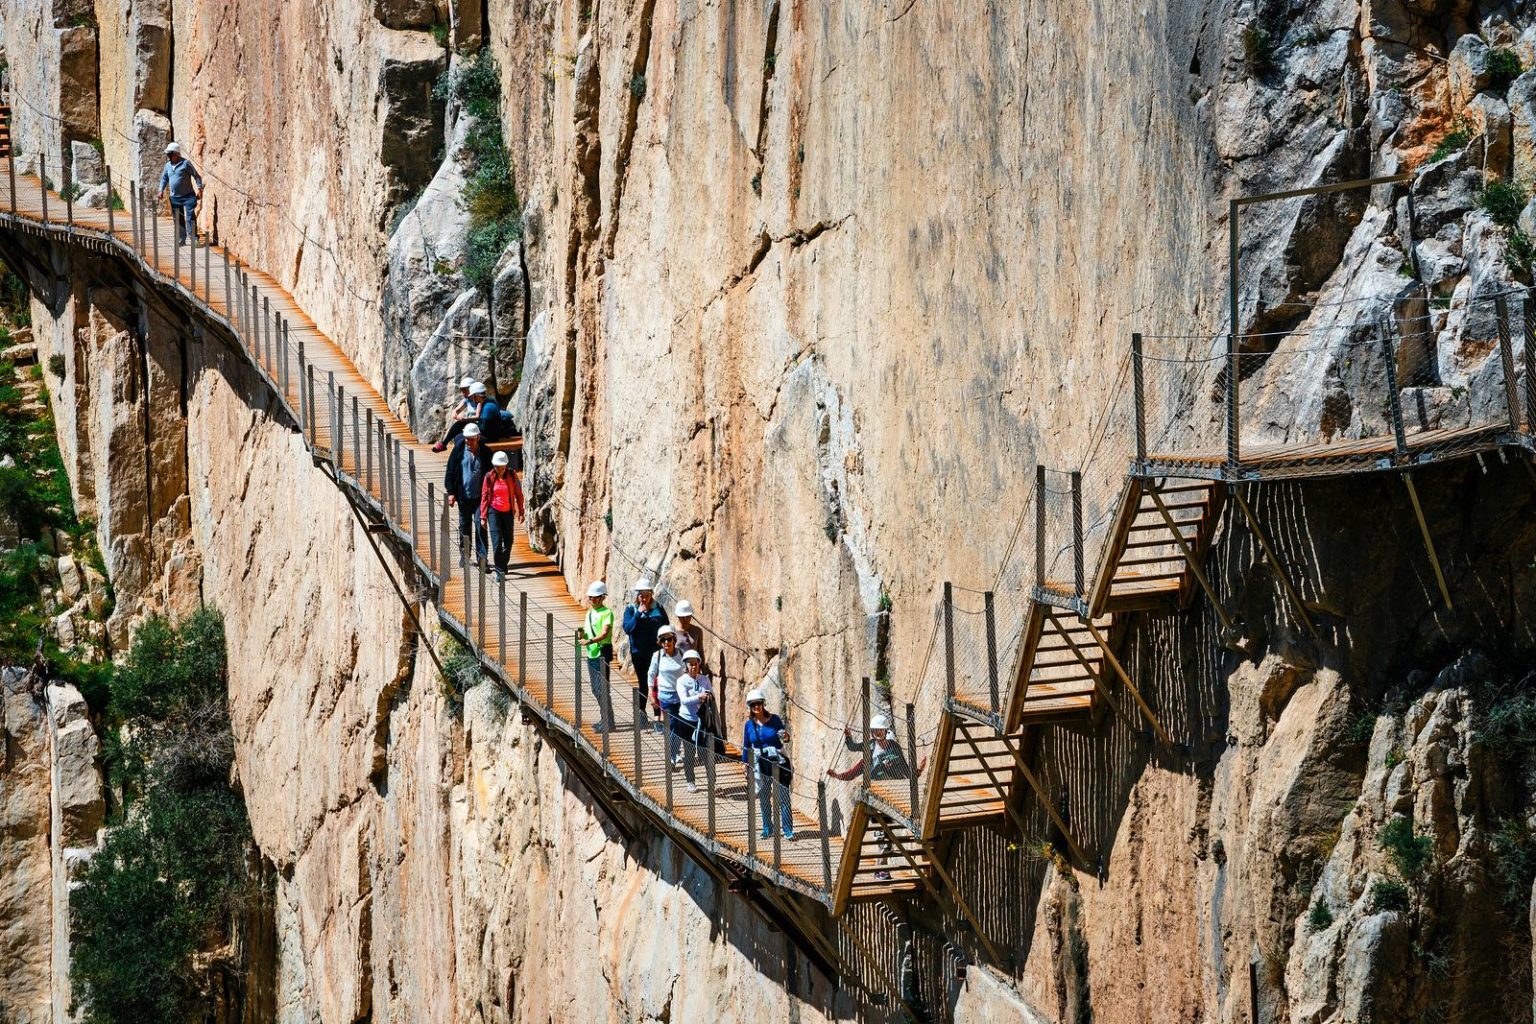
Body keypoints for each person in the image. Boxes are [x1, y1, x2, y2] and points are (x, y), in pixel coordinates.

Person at [741, 688, 794, 840]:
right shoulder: (749, 725)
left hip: (778, 761)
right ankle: (767, 828)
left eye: (758, 703)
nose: (756, 707)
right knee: (764, 797)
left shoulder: (775, 720)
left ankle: (788, 829)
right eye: (753, 705)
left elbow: (785, 738)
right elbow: (746, 745)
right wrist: (745, 763)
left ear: (763, 704)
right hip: (760, 764)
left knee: (783, 796)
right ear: (750, 707)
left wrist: (785, 735)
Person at [444, 422, 489, 571]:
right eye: (466, 439)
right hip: (463, 496)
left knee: (480, 525)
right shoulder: (458, 451)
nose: (468, 442)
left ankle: (482, 560)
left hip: (480, 498)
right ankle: (465, 556)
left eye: (471, 439)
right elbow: (450, 472)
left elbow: (493, 476)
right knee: (464, 527)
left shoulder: (486, 453)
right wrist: (451, 493)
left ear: (477, 437)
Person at [478, 450, 525, 580]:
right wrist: (483, 516)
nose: (500, 469)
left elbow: (519, 495)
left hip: (508, 512)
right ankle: (499, 571)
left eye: (502, 466)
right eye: (498, 467)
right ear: (494, 466)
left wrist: (521, 511)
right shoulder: (489, 477)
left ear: (506, 465)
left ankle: (503, 564)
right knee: (497, 542)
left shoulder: (512, 475)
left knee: (509, 541)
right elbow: (484, 497)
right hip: (494, 512)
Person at [827, 714, 910, 782]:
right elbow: (853, 747)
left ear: (886, 731)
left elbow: (904, 767)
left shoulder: (894, 747)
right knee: (864, 762)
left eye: (880, 730)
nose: (877, 733)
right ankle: (839, 776)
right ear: (872, 731)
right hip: (876, 783)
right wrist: (848, 736)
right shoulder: (870, 745)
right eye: (875, 730)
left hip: (893, 781)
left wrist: (917, 772)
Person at [622, 578, 669, 695]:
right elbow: (628, 628)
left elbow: (666, 627)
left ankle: (657, 713)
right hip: (639, 653)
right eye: (641, 596)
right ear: (637, 596)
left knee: (656, 682)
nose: (644, 599)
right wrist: (638, 614)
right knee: (643, 683)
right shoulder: (631, 609)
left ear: (651, 595)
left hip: (656, 652)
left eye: (647, 596)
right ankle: (641, 712)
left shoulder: (658, 608)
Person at [647, 627, 687, 764]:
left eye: (669, 639)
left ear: (674, 640)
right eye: (663, 640)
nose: (666, 642)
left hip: (681, 695)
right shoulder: (657, 655)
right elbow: (651, 674)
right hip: (666, 696)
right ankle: (671, 754)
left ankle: (674, 752)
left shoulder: (682, 654)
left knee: (679, 725)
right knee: (672, 725)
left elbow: (688, 672)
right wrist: (650, 693)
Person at [676, 648, 714, 792]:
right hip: (686, 720)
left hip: (702, 720)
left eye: (695, 664)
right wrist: (699, 697)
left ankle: (711, 778)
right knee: (689, 751)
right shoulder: (681, 681)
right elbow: (684, 700)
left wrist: (708, 696)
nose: (693, 667)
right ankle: (690, 780)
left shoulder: (704, 680)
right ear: (686, 666)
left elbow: (711, 694)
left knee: (705, 750)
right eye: (690, 664)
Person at [581, 581, 614, 732]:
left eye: (595, 597)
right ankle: (607, 720)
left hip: (602, 653)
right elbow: (589, 632)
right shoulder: (589, 613)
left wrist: (590, 640)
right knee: (596, 689)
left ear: (602, 597)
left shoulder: (607, 613)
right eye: (591, 598)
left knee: (601, 689)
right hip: (592, 653)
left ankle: (607, 722)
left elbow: (605, 633)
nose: (592, 600)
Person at [157, 142, 204, 246]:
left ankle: (194, 239)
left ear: (176, 154)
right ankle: (181, 239)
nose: (168, 156)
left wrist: (200, 189)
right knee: (178, 218)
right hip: (175, 198)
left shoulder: (185, 163)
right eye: (168, 154)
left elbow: (196, 176)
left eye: (170, 154)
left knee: (189, 217)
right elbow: (164, 179)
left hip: (188, 196)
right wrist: (161, 190)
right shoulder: (167, 166)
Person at [431, 376, 479, 452]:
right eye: (462, 390)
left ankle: (444, 444)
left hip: (478, 425)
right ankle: (445, 445)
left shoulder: (478, 400)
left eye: (465, 390)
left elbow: (478, 416)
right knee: (458, 431)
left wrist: (465, 418)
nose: (463, 393)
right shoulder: (467, 400)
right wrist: (455, 414)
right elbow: (456, 410)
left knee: (460, 424)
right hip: (470, 423)